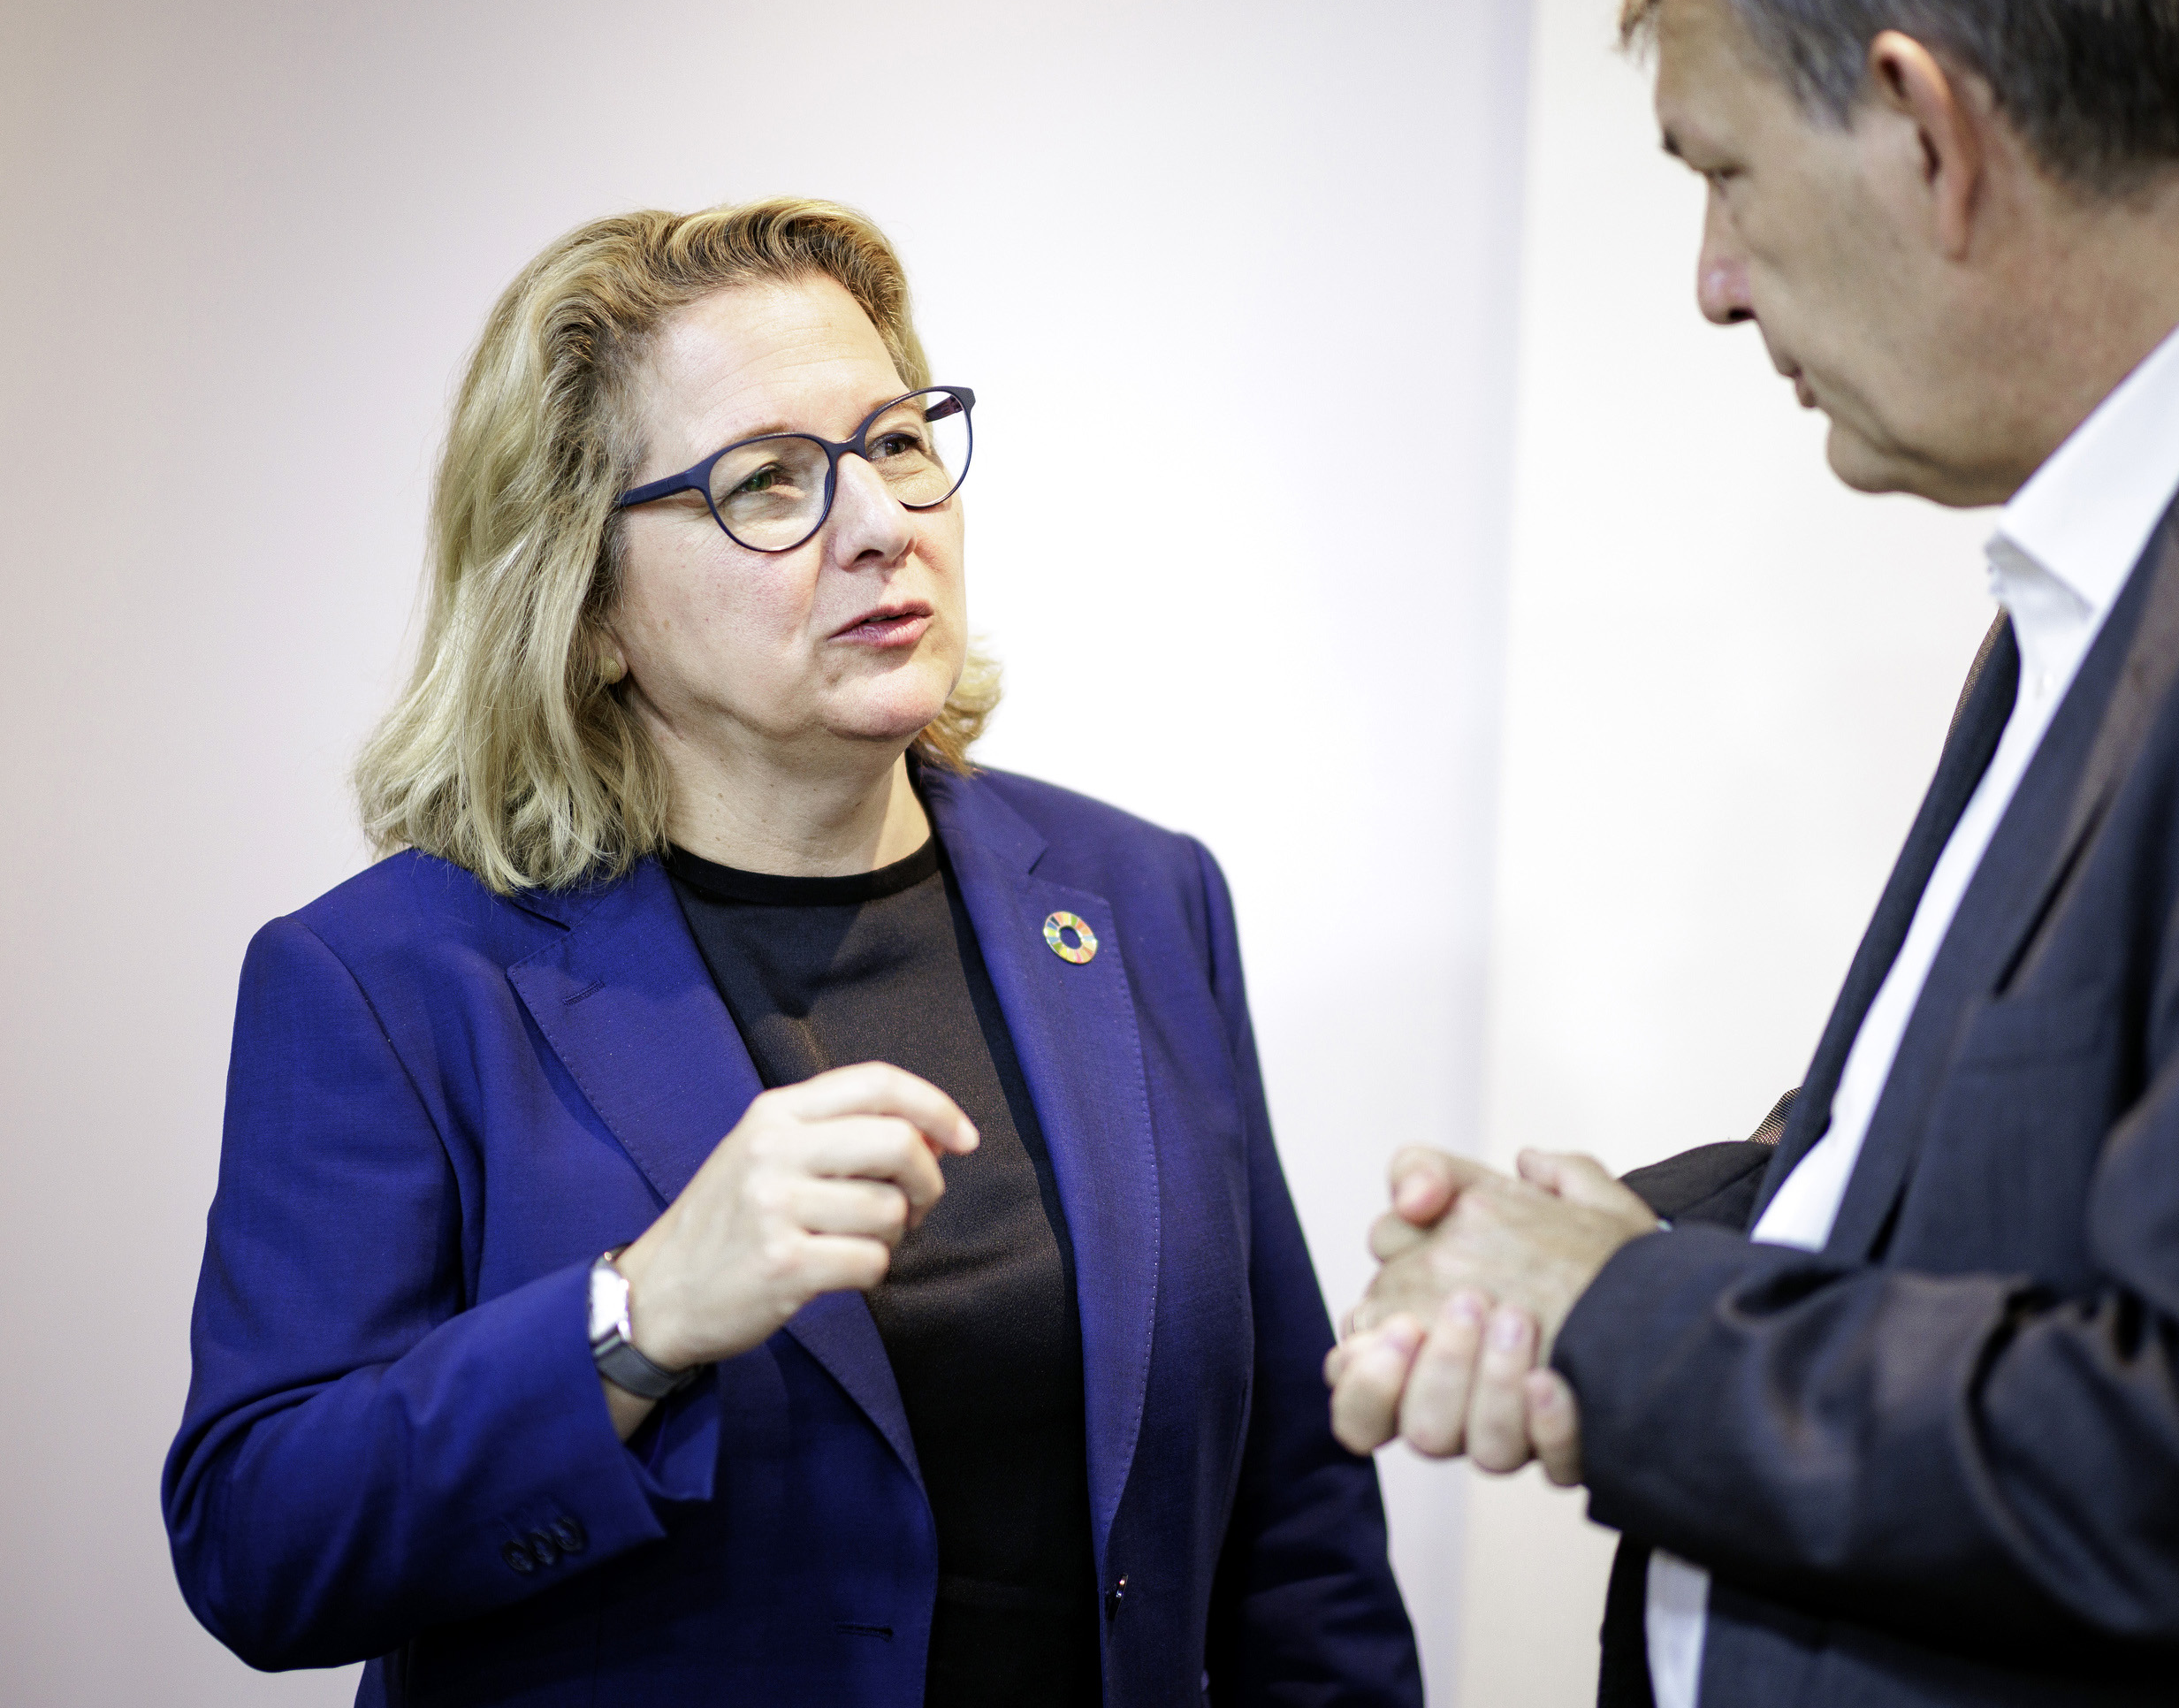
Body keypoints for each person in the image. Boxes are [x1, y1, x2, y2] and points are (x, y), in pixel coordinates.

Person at [1328, 0, 2179, 1705]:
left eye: (1720, 173)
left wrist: (1607, 1314)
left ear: (1924, 129)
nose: (1713, 285)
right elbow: (1988, 1162)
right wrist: (1600, 1243)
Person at [163, 198, 1421, 1707]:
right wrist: (634, 1321)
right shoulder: (390, 981)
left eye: (896, 444)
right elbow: (260, 1543)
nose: (884, 522)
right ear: (586, 606)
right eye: (770, 481)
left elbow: (1291, 1510)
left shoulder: (1140, 898)